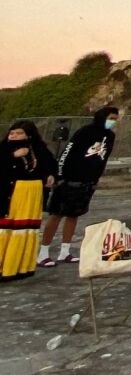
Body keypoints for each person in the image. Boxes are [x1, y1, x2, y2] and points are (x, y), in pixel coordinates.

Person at [39, 105, 119, 268]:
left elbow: (103, 159)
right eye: (111, 118)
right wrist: (59, 175)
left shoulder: (110, 136)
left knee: (74, 215)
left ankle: (65, 251)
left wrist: (95, 179)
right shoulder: (85, 132)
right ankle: (43, 253)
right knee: (57, 214)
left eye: (115, 120)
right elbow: (67, 153)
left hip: (87, 182)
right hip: (69, 179)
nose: (113, 122)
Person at [2, 120, 56, 281]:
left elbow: (50, 165)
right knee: (7, 230)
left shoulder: (39, 148)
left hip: (32, 193)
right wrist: (12, 156)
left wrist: (50, 175)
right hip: (11, 194)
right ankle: (4, 267)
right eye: (12, 133)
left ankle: (21, 266)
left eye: (19, 133)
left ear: (28, 135)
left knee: (26, 230)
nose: (14, 136)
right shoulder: (3, 148)